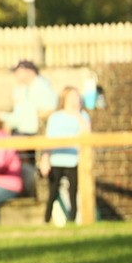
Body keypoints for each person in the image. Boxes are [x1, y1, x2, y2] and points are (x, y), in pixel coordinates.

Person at [39, 86, 91, 225]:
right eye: (72, 97)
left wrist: (77, 115)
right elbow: (49, 140)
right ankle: (46, 220)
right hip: (57, 160)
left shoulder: (83, 116)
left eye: (77, 97)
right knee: (52, 192)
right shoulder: (55, 117)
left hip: (74, 160)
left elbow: (87, 134)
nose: (75, 100)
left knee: (73, 192)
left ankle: (73, 220)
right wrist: (45, 159)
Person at [0, 59, 56, 136]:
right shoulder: (23, 88)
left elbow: (49, 110)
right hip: (24, 132)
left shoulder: (42, 87)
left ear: (29, 71)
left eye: (18, 72)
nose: (15, 75)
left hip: (34, 134)